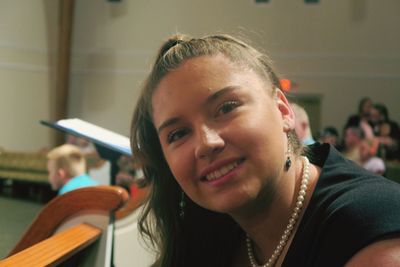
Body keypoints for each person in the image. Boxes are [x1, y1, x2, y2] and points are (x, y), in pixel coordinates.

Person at [130, 34, 400, 267]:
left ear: (283, 110)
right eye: (178, 134)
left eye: (226, 108)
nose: (206, 143)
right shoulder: (211, 230)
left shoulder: (370, 237)